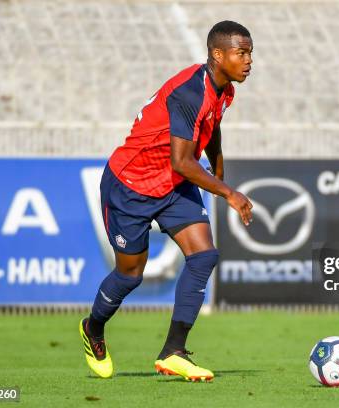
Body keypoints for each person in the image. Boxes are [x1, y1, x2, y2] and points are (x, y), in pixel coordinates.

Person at [79, 20, 254, 382]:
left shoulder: (224, 91)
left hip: (172, 185)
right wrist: (228, 192)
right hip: (131, 185)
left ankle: (173, 351)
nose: (249, 60)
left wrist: (219, 174)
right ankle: (93, 328)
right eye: (242, 53)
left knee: (204, 255)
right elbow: (183, 161)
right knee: (130, 275)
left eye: (250, 52)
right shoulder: (191, 92)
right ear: (218, 55)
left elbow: (212, 128)